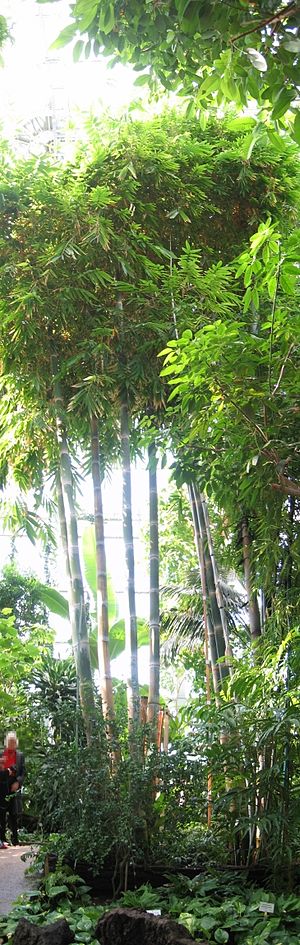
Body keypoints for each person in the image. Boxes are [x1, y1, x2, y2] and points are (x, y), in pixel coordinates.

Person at [1, 732, 25, 845]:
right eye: (10, 742)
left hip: (14, 787)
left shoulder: (20, 755)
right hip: (2, 788)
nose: (12, 744)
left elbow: (22, 773)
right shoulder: (2, 754)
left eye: (14, 742)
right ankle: (2, 840)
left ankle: (15, 840)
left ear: (16, 743)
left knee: (14, 814)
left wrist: (18, 783)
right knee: (1, 814)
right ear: (6, 743)